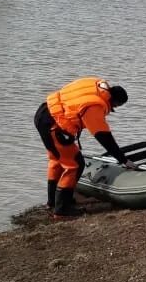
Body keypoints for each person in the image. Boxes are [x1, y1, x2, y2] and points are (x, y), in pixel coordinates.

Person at [34, 77, 134, 220]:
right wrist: (123, 160)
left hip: (44, 112)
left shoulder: (96, 84)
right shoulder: (94, 106)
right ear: (114, 101)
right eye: (115, 107)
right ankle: (61, 210)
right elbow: (104, 137)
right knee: (75, 165)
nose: (111, 111)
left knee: (56, 160)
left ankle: (53, 202)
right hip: (54, 126)